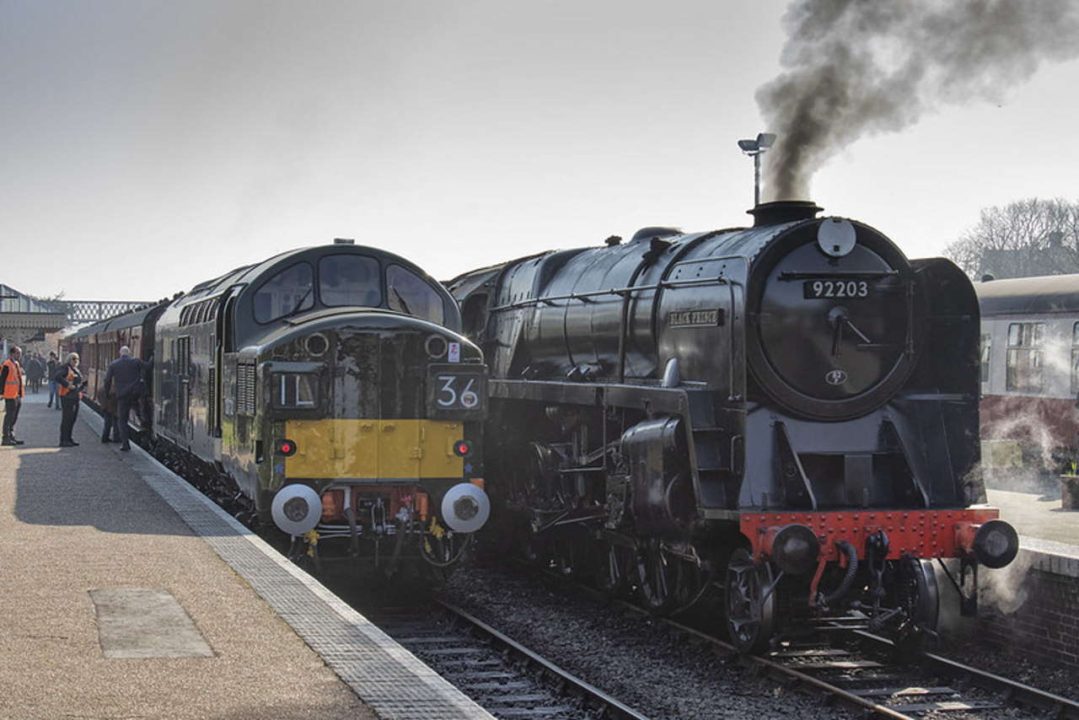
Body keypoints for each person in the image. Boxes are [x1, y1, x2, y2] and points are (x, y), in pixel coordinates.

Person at [102, 346, 144, 452]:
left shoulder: (114, 364)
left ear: (120, 353)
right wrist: (153, 356)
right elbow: (148, 366)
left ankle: (125, 444)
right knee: (138, 409)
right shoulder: (136, 362)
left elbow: (107, 380)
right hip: (135, 394)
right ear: (129, 353)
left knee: (122, 420)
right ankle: (144, 422)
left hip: (122, 396)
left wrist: (106, 394)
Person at [54, 352, 85, 447]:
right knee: (67, 418)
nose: (75, 361)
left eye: (77, 359)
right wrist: (67, 385)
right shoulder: (65, 368)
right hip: (67, 396)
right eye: (73, 359)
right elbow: (57, 376)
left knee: (72, 419)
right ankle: (64, 440)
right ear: (69, 359)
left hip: (75, 397)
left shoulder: (75, 369)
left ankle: (69, 438)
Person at [0, 346, 25, 446]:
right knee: (9, 416)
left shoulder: (16, 364)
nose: (19, 355)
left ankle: (11, 436)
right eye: (18, 353)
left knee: (14, 417)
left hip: (16, 394)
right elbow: (2, 380)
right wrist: (1, 393)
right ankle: (5, 437)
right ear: (12, 353)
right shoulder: (7, 364)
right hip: (10, 394)